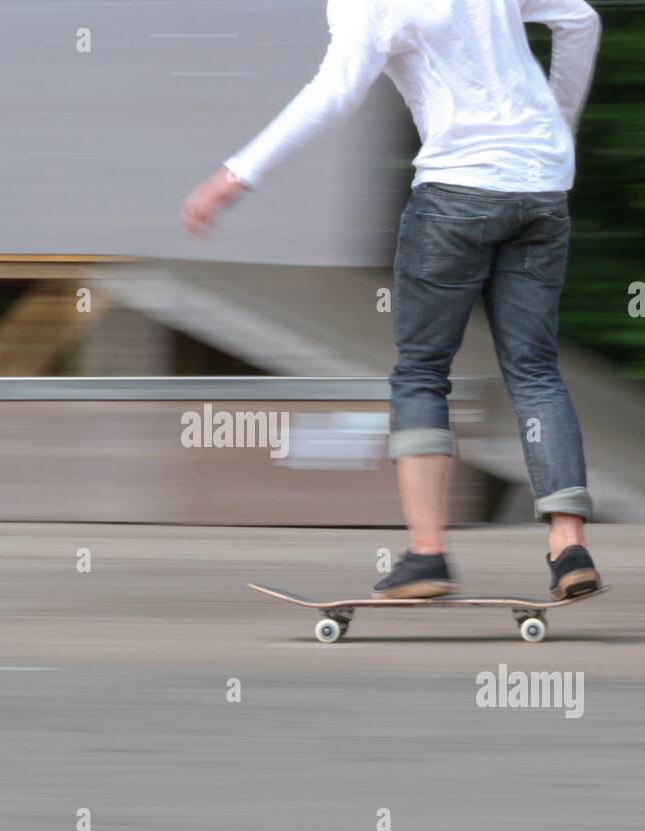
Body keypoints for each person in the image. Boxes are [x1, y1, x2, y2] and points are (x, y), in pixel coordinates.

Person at [182, 0, 603, 601]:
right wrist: (557, 121)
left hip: (457, 192)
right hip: (541, 187)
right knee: (534, 369)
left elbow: (334, 91)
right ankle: (569, 545)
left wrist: (236, 175)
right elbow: (580, 18)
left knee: (423, 373)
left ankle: (428, 556)